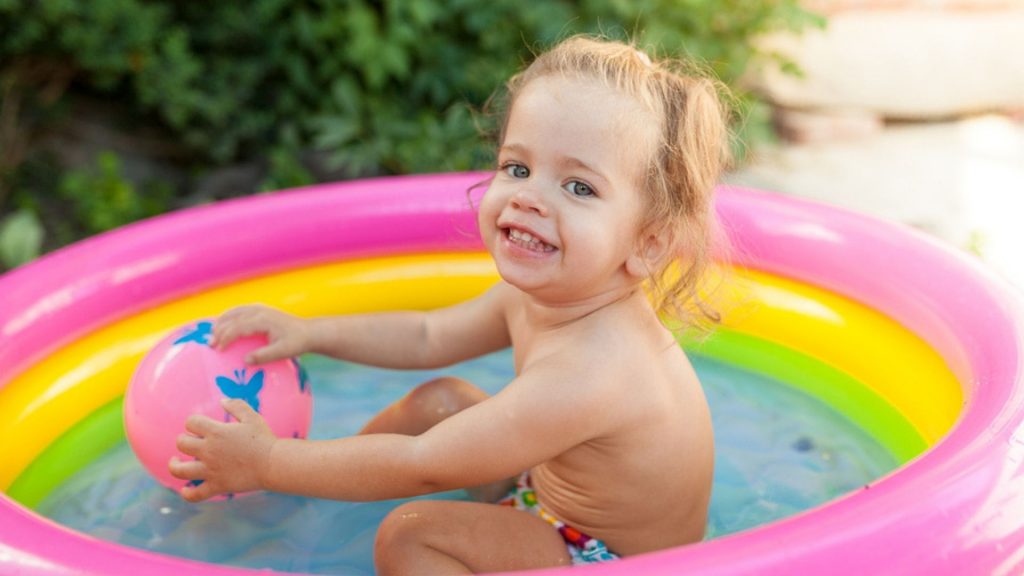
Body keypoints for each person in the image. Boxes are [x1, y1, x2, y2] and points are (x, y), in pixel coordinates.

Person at [169, 34, 731, 574]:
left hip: (610, 560)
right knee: (438, 401)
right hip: (547, 502)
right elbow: (426, 336)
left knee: (413, 535)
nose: (529, 197)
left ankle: (296, 481)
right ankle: (314, 506)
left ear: (647, 245)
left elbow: (424, 467)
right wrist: (311, 332)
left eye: (579, 187)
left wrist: (268, 463)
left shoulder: (595, 371)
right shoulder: (545, 297)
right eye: (518, 167)